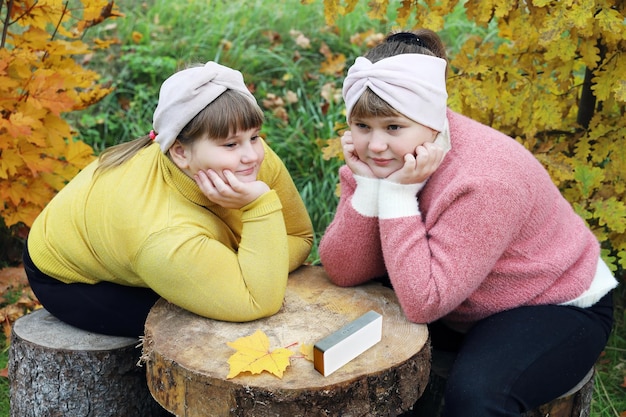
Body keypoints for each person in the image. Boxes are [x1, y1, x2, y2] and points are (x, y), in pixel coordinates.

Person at [318, 29, 617, 417]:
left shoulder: (486, 180)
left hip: (551, 301)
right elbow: (344, 270)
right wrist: (369, 184)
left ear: (433, 120)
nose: (375, 145)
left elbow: (424, 302)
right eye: (362, 127)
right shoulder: (388, 157)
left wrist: (395, 195)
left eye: (393, 127)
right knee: (348, 351)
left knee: (476, 398)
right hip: (452, 291)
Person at [24, 61, 314, 338]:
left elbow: (299, 237)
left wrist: (250, 262)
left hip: (145, 244)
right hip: (70, 280)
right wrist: (259, 206)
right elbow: (259, 301)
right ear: (180, 152)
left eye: (254, 136)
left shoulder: (246, 160)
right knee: (204, 332)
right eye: (230, 144)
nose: (252, 155)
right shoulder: (163, 235)